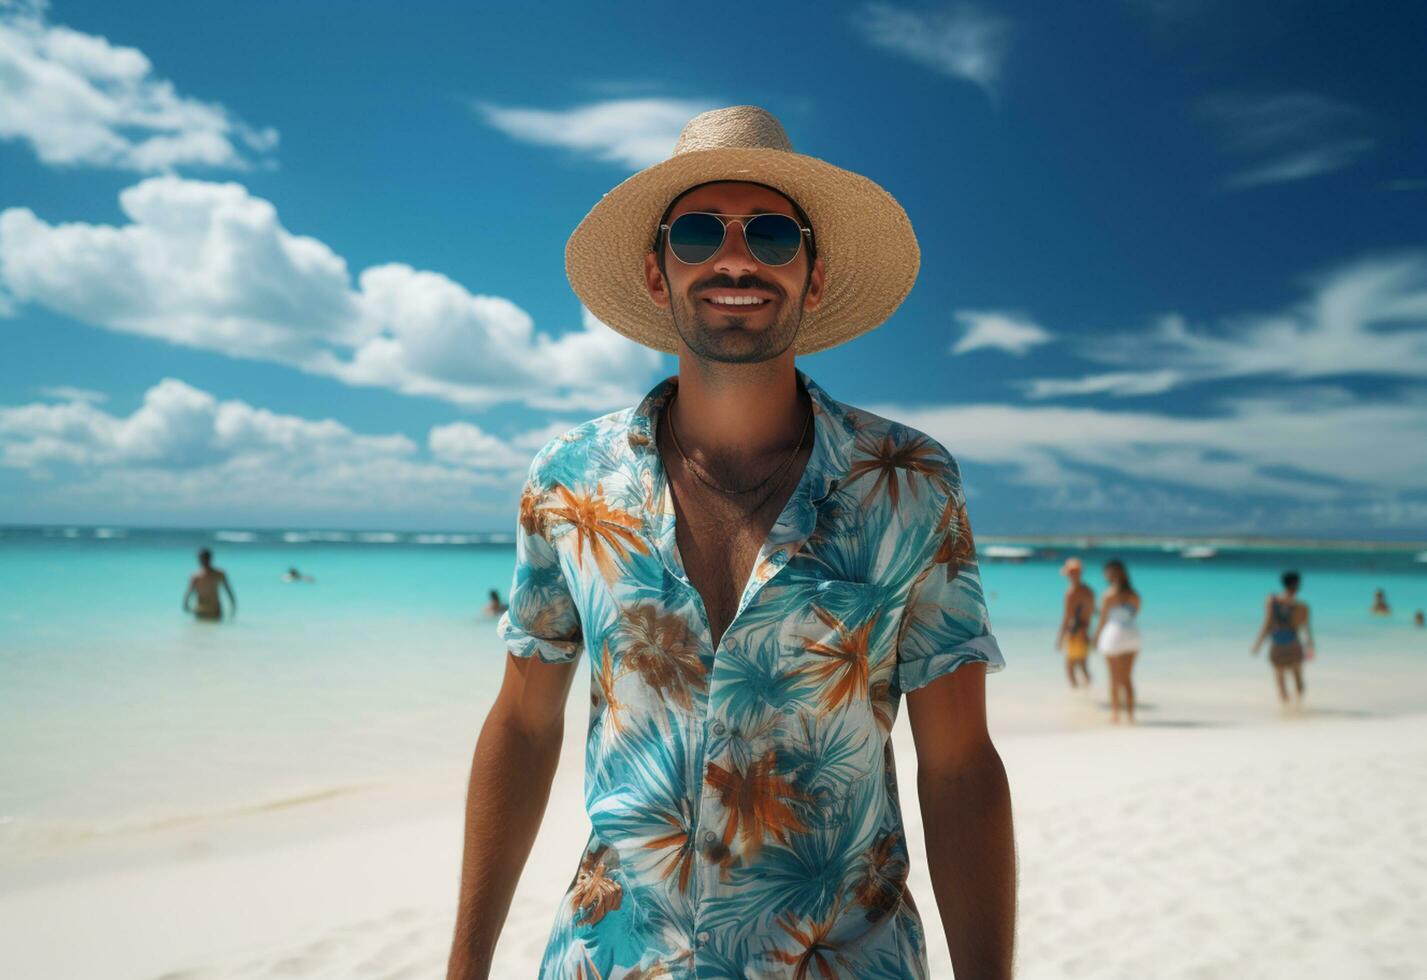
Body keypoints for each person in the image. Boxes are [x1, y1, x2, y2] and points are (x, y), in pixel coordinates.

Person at [447, 106, 1015, 980]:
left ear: (813, 278)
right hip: (614, 960)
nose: (736, 258)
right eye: (701, 231)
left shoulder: (906, 480)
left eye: (774, 235)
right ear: (655, 270)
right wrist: (465, 964)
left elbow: (958, 764)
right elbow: (524, 723)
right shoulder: (570, 482)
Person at [1251, 571, 1313, 709]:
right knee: (1298, 677)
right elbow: (1306, 630)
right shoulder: (1302, 607)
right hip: (1294, 644)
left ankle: (1285, 709)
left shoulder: (1272, 601)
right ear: (1297, 585)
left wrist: (1258, 644)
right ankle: (1299, 707)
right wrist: (1310, 647)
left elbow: (1267, 623)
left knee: (1280, 679)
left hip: (1277, 645)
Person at [1092, 558, 1140, 724]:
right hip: (1132, 635)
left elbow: (1103, 620)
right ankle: (1131, 715)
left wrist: (1095, 637)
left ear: (1110, 574)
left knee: (1113, 678)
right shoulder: (1134, 595)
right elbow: (1134, 614)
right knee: (1127, 679)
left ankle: (1115, 715)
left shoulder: (1108, 595)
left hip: (1114, 635)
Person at [1054, 556, 1095, 688]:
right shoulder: (1089, 591)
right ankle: (1087, 693)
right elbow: (1093, 611)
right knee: (1083, 665)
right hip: (1085, 632)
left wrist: (1060, 638)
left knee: (1070, 667)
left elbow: (1067, 618)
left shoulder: (1071, 593)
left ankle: (1077, 694)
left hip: (1075, 633)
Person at [183, 548, 236, 622]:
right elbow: (230, 593)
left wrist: (185, 606)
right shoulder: (196, 577)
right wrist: (233, 607)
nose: (203, 561)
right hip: (204, 610)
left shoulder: (218, 574)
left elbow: (187, 595)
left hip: (211, 610)